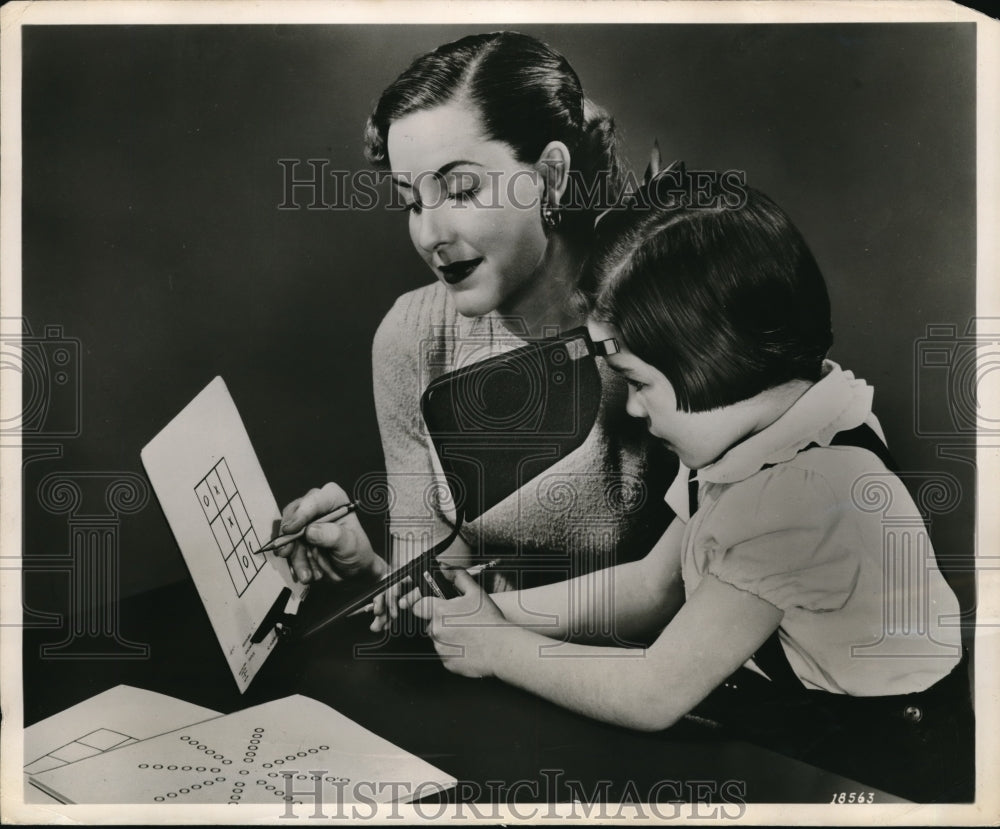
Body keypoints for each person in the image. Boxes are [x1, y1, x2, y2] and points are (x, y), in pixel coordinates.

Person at [410, 180, 972, 801]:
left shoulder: (804, 494)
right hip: (793, 717)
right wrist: (489, 617)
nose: (630, 409)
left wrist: (500, 651)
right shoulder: (760, 430)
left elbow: (655, 693)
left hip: (875, 766)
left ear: (710, 358)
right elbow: (655, 585)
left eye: (638, 381)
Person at [277, 33, 673, 607]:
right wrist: (371, 571)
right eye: (413, 201)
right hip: (492, 676)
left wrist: (488, 625)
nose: (430, 235)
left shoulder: (664, 314)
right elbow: (438, 596)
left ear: (550, 177)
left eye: (460, 190)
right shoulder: (412, 337)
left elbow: (699, 583)